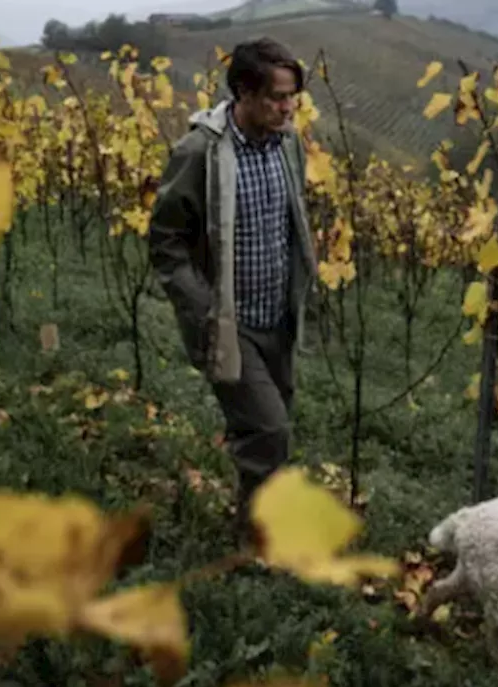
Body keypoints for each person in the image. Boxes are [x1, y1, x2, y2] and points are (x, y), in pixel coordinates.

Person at [147, 37, 318, 542]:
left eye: (293, 98)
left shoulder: (287, 144)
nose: (288, 108)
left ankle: (256, 524)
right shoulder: (200, 152)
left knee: (268, 429)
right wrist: (201, 309)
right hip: (228, 321)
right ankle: (258, 544)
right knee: (269, 430)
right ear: (243, 91)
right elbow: (166, 240)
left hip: (277, 316)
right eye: (277, 97)